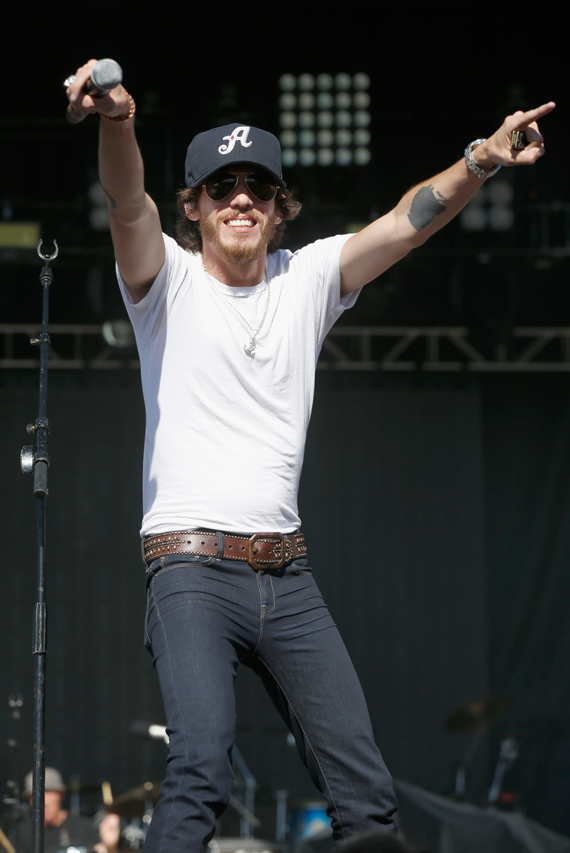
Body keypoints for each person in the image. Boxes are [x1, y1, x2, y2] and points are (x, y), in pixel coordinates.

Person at [66, 59, 553, 853]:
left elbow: (407, 221)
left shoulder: (308, 278)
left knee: (369, 798)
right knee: (200, 769)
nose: (241, 200)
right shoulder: (167, 281)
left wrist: (481, 159)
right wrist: (117, 119)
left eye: (258, 186)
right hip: (190, 569)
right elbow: (127, 200)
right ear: (193, 208)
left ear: (281, 208)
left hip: (287, 579)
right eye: (221, 188)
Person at [16, 767, 101, 853]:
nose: (40, 799)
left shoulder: (84, 827)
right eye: (33, 794)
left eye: (47, 791)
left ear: (61, 794)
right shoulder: (20, 833)